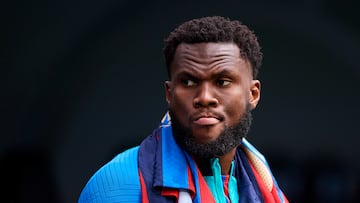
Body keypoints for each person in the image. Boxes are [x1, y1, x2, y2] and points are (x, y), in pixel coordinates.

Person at [78, 16, 289, 203]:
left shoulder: (266, 185)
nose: (205, 98)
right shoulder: (115, 187)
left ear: (253, 94)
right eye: (188, 82)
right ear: (169, 94)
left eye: (222, 82)